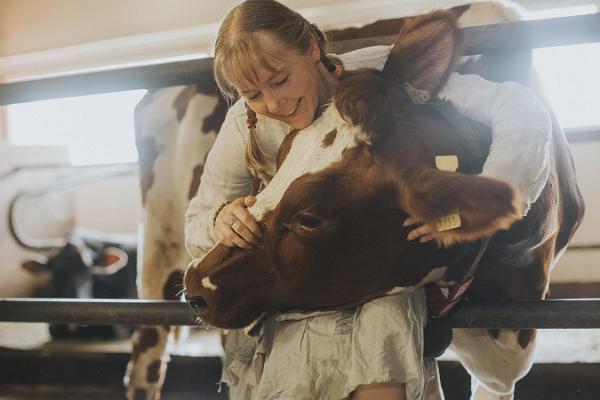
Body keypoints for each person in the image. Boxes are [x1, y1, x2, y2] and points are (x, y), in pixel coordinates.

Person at [184, 1, 552, 399]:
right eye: (252, 93)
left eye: (281, 79)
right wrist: (220, 220)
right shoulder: (245, 123)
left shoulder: (384, 75)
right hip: (304, 271)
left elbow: (517, 107)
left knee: (387, 318)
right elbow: (199, 221)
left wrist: (482, 195)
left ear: (311, 47)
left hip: (374, 265)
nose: (273, 104)